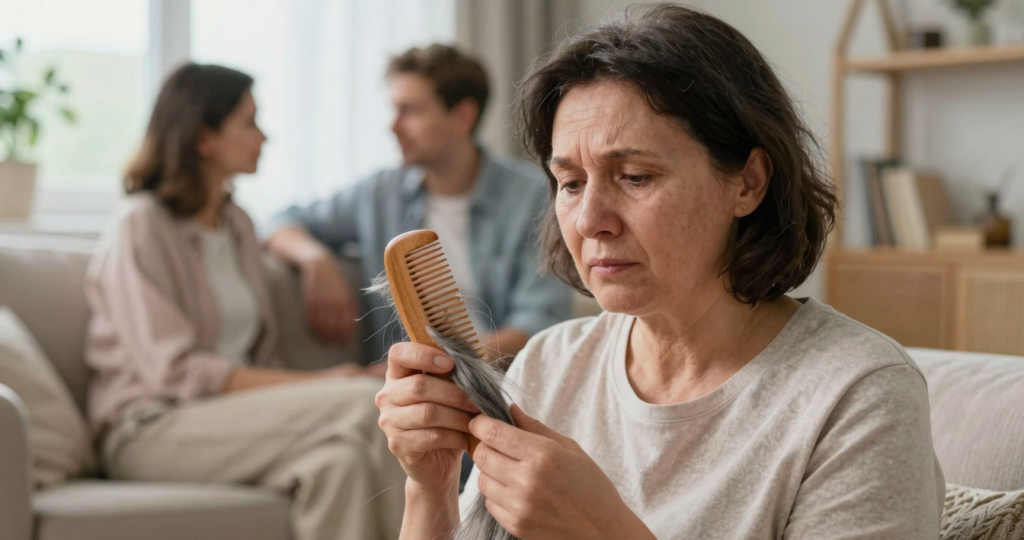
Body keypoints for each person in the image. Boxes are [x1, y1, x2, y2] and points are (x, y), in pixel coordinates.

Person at [375, 5, 945, 539]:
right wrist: (431, 488)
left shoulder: (858, 394)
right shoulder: (552, 364)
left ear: (747, 182)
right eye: (570, 183)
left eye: (636, 177)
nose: (591, 220)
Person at [85, 63, 404, 540]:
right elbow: (174, 373)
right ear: (202, 138)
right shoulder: (141, 226)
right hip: (150, 427)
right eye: (249, 122)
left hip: (223, 422)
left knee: (339, 466)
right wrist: (320, 383)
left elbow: (256, 352)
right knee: (368, 401)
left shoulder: (237, 226)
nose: (264, 137)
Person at [264, 44, 572, 365]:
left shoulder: (531, 196)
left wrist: (455, 364)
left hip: (503, 373)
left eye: (410, 111)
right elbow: (280, 221)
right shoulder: (379, 193)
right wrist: (315, 260)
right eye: (394, 110)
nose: (393, 126)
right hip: (407, 381)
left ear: (462, 116)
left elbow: (539, 319)